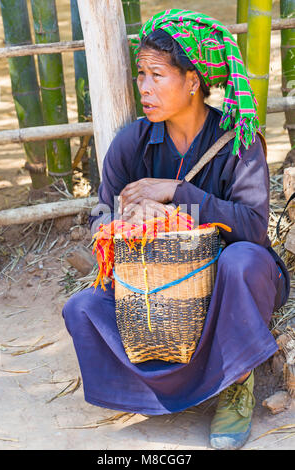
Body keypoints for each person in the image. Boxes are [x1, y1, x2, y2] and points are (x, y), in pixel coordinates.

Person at [62, 9, 290, 450]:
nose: (145, 87)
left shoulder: (237, 142)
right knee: (82, 308)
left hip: (231, 290)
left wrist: (178, 193)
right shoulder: (131, 144)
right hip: (161, 298)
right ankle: (161, 390)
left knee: (242, 260)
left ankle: (235, 383)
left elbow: (254, 230)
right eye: (141, 74)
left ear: (193, 80)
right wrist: (123, 224)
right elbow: (101, 216)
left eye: (158, 75)